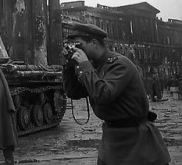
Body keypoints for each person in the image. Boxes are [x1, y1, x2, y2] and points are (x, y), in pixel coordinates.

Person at [62, 22, 170, 165]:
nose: (76, 49)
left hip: (136, 140)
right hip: (112, 139)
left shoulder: (119, 64)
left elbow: (103, 94)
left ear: (94, 43)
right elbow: (74, 92)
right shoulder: (96, 67)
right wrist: (69, 67)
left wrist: (84, 65)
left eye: (79, 45)